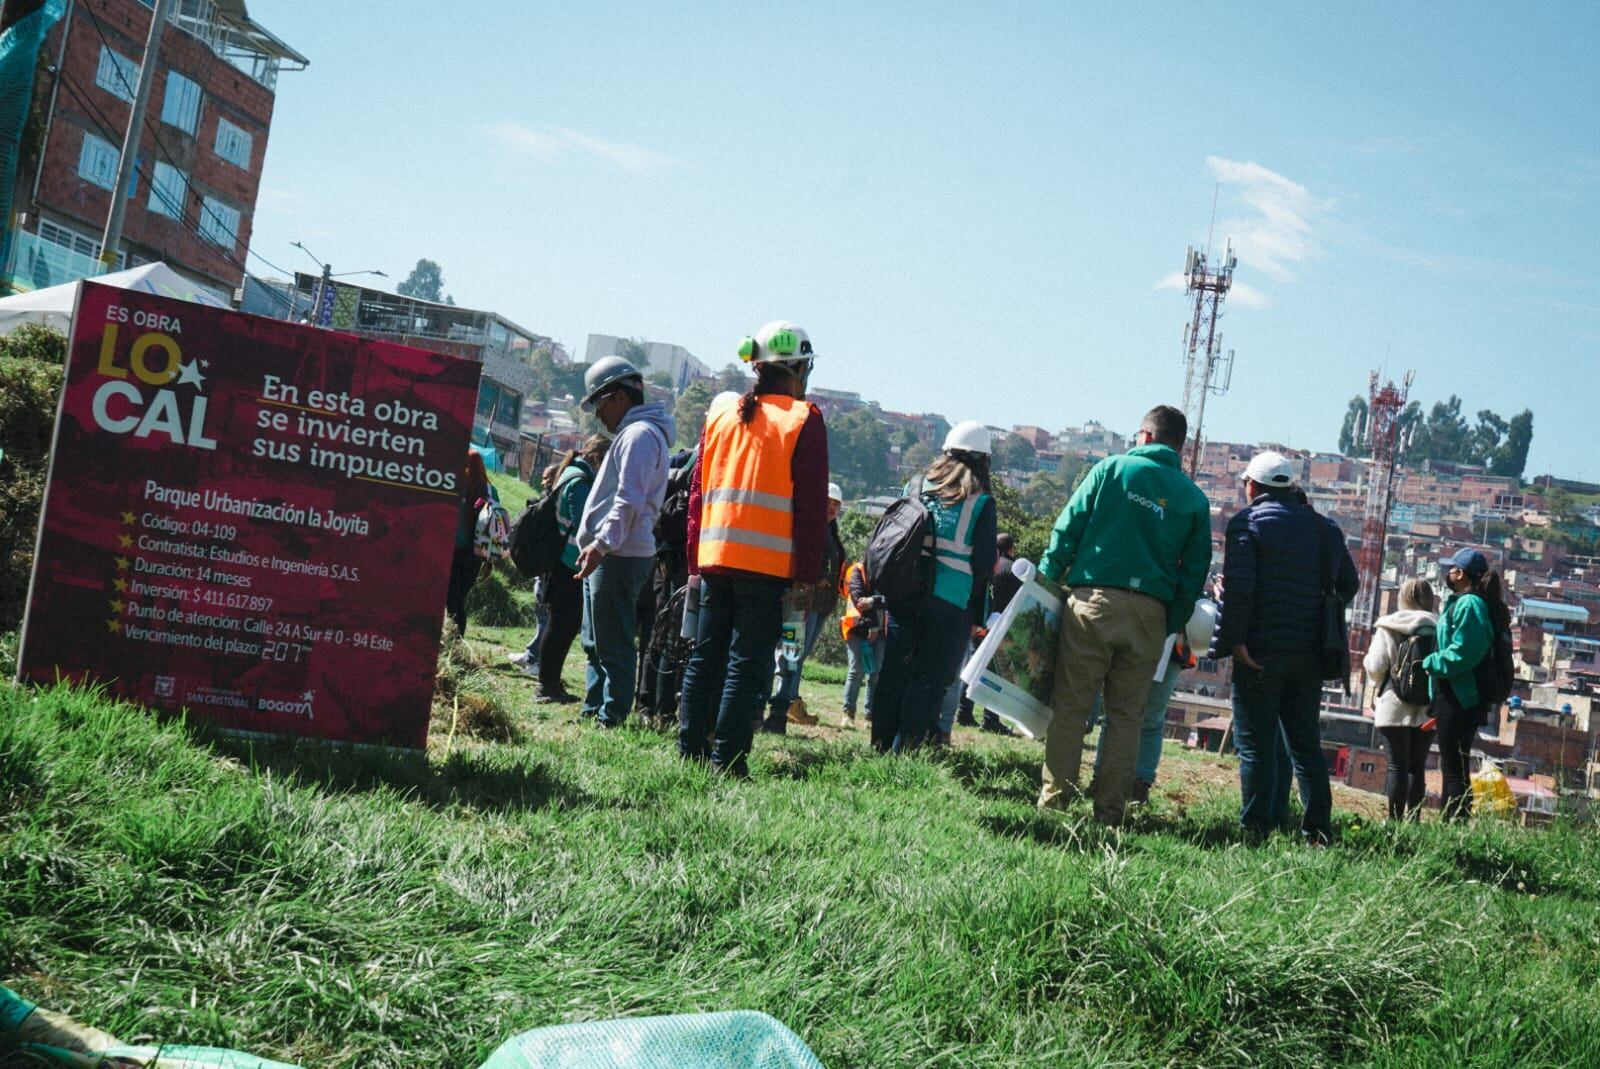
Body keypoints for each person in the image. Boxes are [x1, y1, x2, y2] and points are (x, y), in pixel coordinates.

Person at [1036, 405, 1210, 825]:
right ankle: (1110, 812)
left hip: (1093, 601)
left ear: (1146, 436)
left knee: (1072, 708)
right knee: (1127, 719)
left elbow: (1068, 527)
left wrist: (1044, 578)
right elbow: (1195, 572)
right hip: (1150, 614)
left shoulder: (1110, 470)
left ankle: (1055, 800)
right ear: (1179, 446)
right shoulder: (1193, 499)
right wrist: (1170, 619)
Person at [679, 321, 829, 775]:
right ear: (798, 368)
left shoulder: (721, 416)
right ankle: (728, 760)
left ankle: (690, 753)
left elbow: (697, 496)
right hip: (764, 566)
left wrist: (695, 559)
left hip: (715, 559)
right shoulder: (805, 419)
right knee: (746, 663)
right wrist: (808, 573)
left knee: (706, 655)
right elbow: (809, 506)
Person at [1215, 451, 1358, 843]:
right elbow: (1349, 585)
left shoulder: (1247, 524)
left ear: (1252, 486)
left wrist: (1236, 642)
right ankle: (1316, 832)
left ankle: (1255, 830)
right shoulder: (1324, 529)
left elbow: (1242, 590)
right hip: (1310, 654)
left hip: (1260, 649)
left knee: (1256, 746)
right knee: (1305, 746)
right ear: (1291, 486)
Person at [872, 420, 997, 753]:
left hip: (903, 592)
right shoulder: (981, 501)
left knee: (894, 672)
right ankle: (907, 752)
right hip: (949, 603)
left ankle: (880, 747)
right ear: (984, 461)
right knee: (927, 680)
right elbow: (984, 565)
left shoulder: (915, 485)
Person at [573, 356, 674, 728]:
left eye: (599, 403)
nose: (598, 415)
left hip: (618, 554)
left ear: (617, 397)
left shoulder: (638, 436)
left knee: (612, 643)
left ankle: (610, 717)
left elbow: (628, 500)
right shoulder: (637, 435)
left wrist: (601, 545)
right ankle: (594, 709)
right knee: (595, 641)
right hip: (611, 552)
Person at [1423, 548, 1507, 822]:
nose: (1447, 573)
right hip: (1455, 694)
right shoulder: (1464, 602)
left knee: (1453, 767)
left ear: (1460, 574)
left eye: (1451, 569)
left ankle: (1454, 824)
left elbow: (1465, 651)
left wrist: (1431, 662)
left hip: (1461, 695)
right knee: (1453, 764)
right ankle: (1451, 824)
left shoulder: (1470, 605)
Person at [524, 437, 608, 703]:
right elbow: (585, 522)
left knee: (564, 626)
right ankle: (546, 686)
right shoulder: (579, 482)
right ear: (597, 458)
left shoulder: (574, 474)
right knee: (560, 625)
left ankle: (551, 683)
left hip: (567, 561)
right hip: (568, 564)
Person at [763, 482, 846, 733]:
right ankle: (781, 703)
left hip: (820, 603)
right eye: (829, 502)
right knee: (791, 652)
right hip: (803, 601)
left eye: (836, 505)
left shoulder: (831, 531)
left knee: (800, 654)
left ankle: (791, 702)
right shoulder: (812, 528)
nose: (832, 508)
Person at [1362, 577, 1438, 820]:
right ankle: (1414, 821)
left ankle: (1394, 822)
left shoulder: (1389, 626)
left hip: (1394, 705)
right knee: (1418, 765)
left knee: (1398, 764)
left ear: (1402, 598)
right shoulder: (1441, 628)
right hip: (1428, 708)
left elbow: (1375, 665)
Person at [445, 448, 493, 637]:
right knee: (460, 600)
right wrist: (490, 561)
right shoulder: (491, 491)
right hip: (476, 555)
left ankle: (453, 641)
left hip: (455, 552)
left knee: (452, 600)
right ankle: (456, 641)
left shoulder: (459, 485)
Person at [839, 559, 883, 726]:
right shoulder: (857, 570)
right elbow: (859, 599)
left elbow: (891, 598)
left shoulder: (888, 573)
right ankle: (848, 714)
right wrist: (872, 623)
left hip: (881, 630)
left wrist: (874, 601)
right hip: (856, 628)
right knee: (856, 671)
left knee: (876, 674)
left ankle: (870, 716)